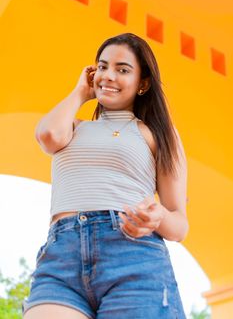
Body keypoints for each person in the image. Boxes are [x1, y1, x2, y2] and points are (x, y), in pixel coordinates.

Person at [22, 32, 188, 319]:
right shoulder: (72, 126)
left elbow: (179, 224)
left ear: (143, 83)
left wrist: (158, 217)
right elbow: (47, 136)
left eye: (122, 69)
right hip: (63, 256)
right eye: (102, 67)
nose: (108, 75)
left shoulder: (156, 134)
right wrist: (79, 93)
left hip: (132, 254)